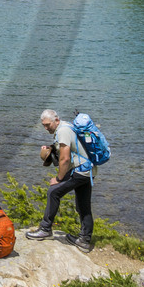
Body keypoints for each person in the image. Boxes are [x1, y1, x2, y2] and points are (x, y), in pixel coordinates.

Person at [27, 108, 94, 253]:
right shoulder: (66, 126)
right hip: (88, 170)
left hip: (80, 170)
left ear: (56, 120)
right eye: (43, 125)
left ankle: (45, 229)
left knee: (53, 191)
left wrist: (58, 178)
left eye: (47, 125)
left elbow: (65, 158)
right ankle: (84, 240)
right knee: (83, 205)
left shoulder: (62, 131)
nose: (45, 128)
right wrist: (52, 147)